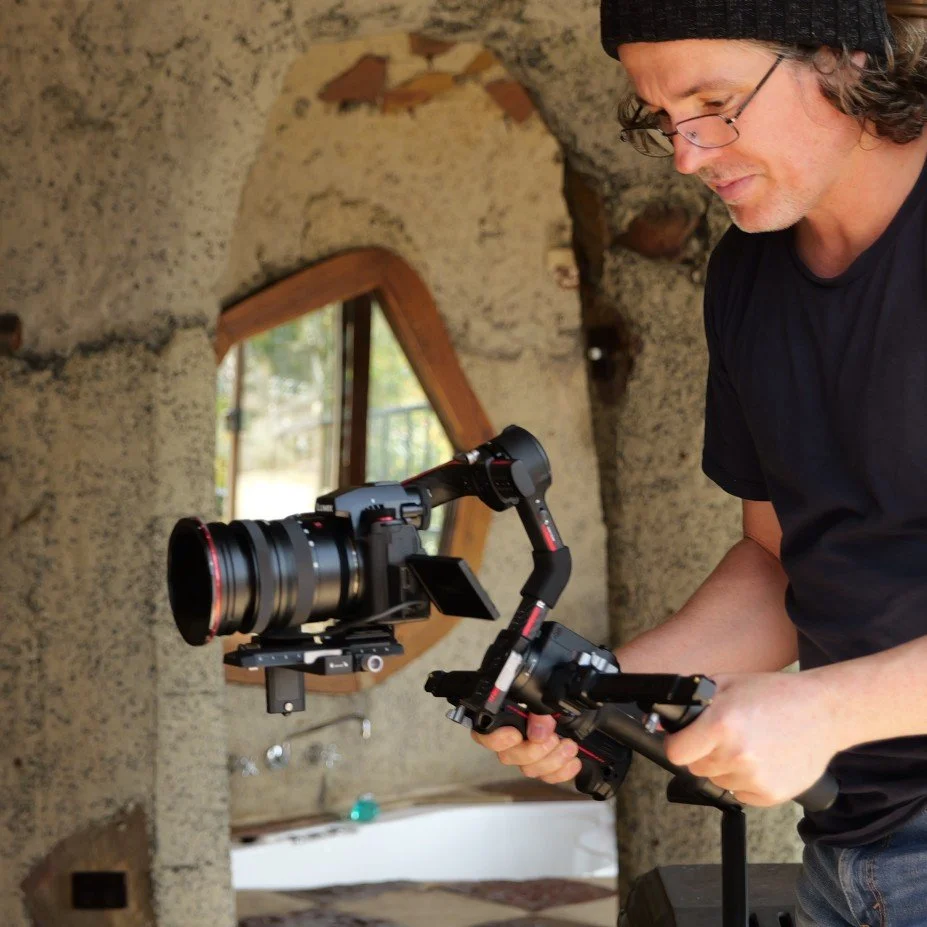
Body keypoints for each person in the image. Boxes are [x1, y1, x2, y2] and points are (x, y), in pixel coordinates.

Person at [472, 2, 927, 924]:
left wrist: (827, 713)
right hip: (848, 851)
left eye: (714, 102)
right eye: (659, 117)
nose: (686, 154)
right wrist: (594, 689)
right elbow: (775, 566)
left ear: (840, 54)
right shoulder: (747, 277)